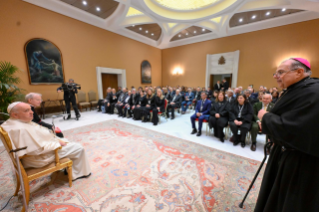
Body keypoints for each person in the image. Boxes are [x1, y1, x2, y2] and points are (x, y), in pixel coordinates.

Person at [255, 58, 319, 212]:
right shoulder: (298, 89)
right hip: (285, 154)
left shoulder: (312, 93)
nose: (276, 76)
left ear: (299, 72)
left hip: (300, 162)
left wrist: (265, 117)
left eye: (281, 72)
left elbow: (294, 128)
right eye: (275, 73)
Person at [2, 102, 91, 181]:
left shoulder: (12, 123)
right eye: (26, 110)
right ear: (15, 115)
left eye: (30, 109)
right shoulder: (20, 129)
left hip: (37, 154)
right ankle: (80, 173)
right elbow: (36, 150)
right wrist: (57, 143)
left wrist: (53, 137)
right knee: (79, 148)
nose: (32, 112)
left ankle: (69, 169)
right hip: (39, 158)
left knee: (65, 140)